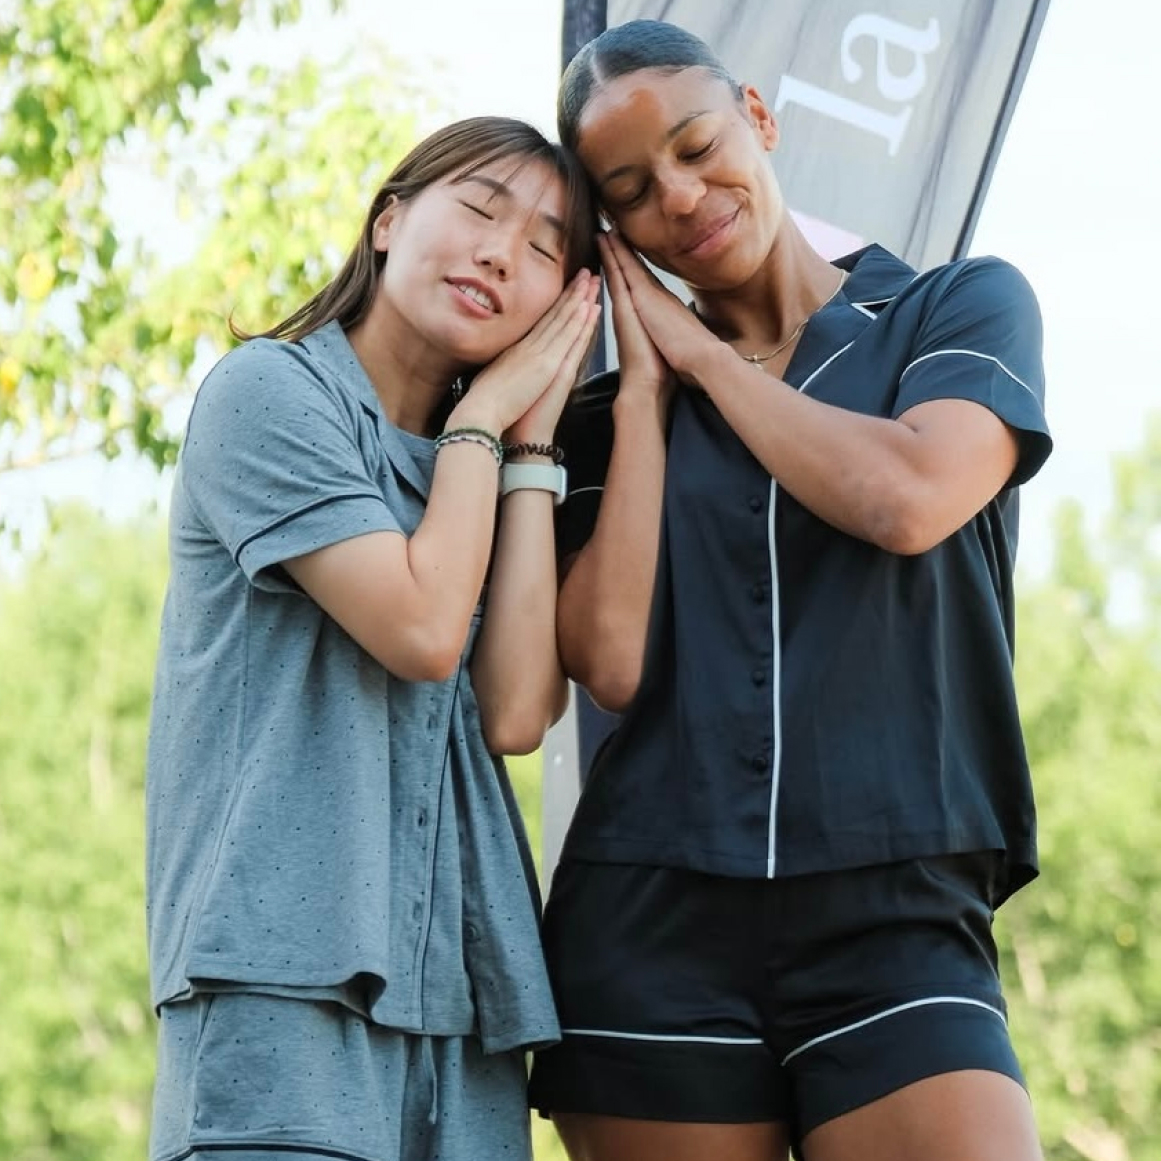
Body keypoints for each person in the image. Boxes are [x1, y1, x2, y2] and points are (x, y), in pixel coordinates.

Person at [528, 20, 1052, 1161]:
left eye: (699, 144)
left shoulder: (952, 312)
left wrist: (709, 360)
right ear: (613, 230)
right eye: (631, 189)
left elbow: (908, 499)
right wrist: (644, 396)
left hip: (898, 907)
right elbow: (604, 663)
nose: (681, 192)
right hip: (649, 921)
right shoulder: (610, 415)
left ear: (758, 119)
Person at [143, 115, 600, 1161]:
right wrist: (486, 414)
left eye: (545, 249)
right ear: (388, 220)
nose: (503, 252)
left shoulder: (473, 463)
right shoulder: (268, 394)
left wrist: (526, 447)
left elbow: (519, 710)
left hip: (463, 1006)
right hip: (280, 982)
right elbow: (425, 629)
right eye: (482, 210)